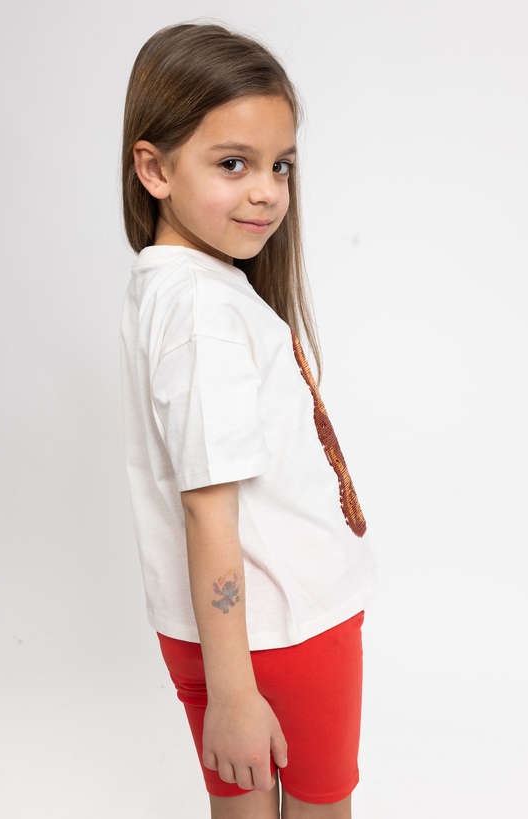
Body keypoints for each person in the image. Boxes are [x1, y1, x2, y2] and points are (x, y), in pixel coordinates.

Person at [120, 22, 379, 819]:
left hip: (238, 629)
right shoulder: (203, 310)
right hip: (282, 627)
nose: (266, 190)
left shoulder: (175, 286)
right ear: (155, 169)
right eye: (233, 164)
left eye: (279, 165)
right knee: (316, 807)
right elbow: (208, 505)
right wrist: (232, 690)